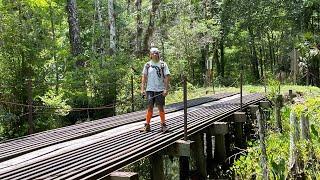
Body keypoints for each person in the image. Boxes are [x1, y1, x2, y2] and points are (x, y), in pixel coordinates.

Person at [140, 47, 170, 132]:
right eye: (153, 53)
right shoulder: (147, 65)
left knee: (160, 107)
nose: (155, 54)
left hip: (160, 89)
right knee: (150, 107)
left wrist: (166, 89)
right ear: (150, 55)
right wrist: (142, 89)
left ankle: (163, 125)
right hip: (150, 89)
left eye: (157, 53)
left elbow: (167, 77)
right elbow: (144, 77)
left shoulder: (163, 64)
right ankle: (147, 125)